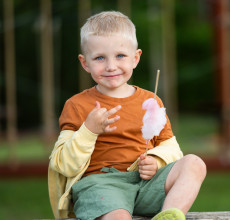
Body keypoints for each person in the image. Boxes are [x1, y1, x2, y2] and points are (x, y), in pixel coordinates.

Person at [48, 11, 206, 220]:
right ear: (85, 63)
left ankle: (168, 216)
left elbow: (171, 148)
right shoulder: (77, 105)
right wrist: (89, 130)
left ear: (135, 58)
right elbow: (61, 164)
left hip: (147, 183)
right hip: (101, 186)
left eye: (120, 56)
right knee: (119, 217)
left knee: (194, 163)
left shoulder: (151, 101)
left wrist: (157, 161)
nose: (111, 66)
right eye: (99, 58)